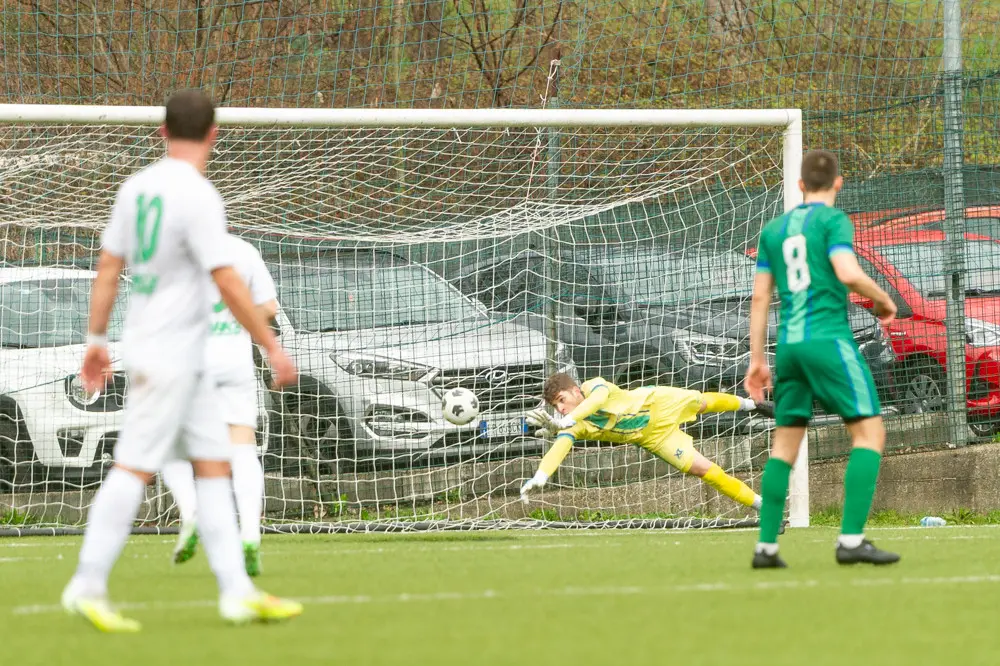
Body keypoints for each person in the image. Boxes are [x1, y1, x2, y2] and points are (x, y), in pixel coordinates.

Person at [61, 89, 303, 632]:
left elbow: (107, 268)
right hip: (168, 353)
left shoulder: (135, 188)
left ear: (162, 132)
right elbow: (225, 279)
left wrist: (96, 338)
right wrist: (271, 344)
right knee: (134, 467)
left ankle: (237, 592)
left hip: (175, 353)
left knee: (214, 466)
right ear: (213, 134)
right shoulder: (198, 195)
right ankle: (86, 583)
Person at [745, 149, 900, 569]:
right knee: (870, 434)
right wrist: (884, 299)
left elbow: (760, 297)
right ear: (838, 182)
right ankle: (850, 540)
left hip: (789, 347)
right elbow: (847, 272)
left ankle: (766, 548)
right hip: (828, 341)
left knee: (785, 444)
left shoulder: (773, 230)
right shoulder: (834, 221)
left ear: (799, 185)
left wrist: (757, 360)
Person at [161, 234, 278, 577]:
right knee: (242, 446)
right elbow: (269, 307)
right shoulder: (243, 249)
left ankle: (190, 510)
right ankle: (250, 533)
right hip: (234, 361)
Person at [519, 373, 774, 511]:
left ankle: (753, 404)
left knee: (701, 402)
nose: (561, 410)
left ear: (575, 392)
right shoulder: (577, 425)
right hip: (654, 438)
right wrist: (541, 475)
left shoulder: (592, 385)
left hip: (657, 403)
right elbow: (561, 444)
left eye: (562, 400)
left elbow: (596, 401)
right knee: (704, 470)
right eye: (556, 407)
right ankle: (761, 506)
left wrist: (568, 419)